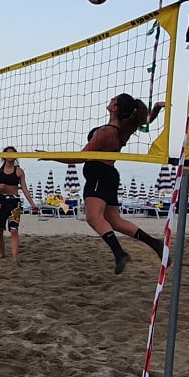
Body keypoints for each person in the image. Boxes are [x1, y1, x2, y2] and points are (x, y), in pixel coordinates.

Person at [75, 93, 167, 274]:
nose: (110, 100)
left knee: (93, 217)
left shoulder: (106, 131)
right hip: (108, 175)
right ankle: (155, 244)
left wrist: (50, 156)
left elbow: (80, 157)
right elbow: (145, 121)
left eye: (113, 99)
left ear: (116, 108)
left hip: (99, 176)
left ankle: (120, 253)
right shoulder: (123, 128)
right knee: (115, 221)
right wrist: (155, 109)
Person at [0, 146, 40, 264]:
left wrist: (32, 204)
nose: (10, 156)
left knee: (14, 230)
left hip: (14, 203)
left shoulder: (19, 171)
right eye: (8, 153)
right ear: (4, 156)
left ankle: (15, 258)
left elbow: (25, 189)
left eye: (12, 153)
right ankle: (2, 253)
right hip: (1, 201)